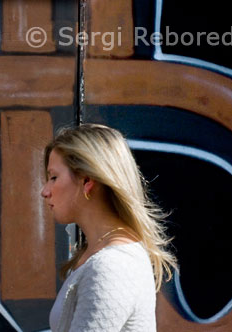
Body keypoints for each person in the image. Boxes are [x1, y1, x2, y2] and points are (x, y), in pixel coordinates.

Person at [41, 124, 178, 332]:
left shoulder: (110, 267)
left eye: (53, 177)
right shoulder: (99, 255)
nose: (45, 191)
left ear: (86, 181)